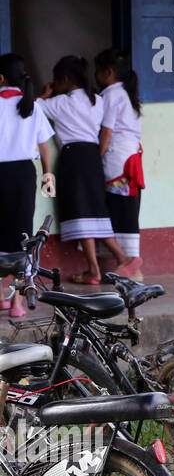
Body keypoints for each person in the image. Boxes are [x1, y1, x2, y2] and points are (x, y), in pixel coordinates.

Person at [39, 56, 137, 284]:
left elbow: (29, 108)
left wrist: (45, 93)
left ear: (63, 79)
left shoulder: (61, 102)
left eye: (56, 80)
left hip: (74, 158)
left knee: (81, 213)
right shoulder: (97, 100)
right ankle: (108, 263)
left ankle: (107, 263)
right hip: (94, 157)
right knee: (94, 212)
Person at [0, 54, 54, 318]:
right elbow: (44, 145)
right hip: (23, 173)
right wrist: (47, 175)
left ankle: (1, 295)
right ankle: (18, 303)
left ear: (0, 78)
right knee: (22, 234)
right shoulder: (32, 105)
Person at [95, 49, 145, 279]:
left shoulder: (110, 95)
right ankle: (131, 264)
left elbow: (106, 132)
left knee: (119, 208)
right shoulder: (128, 94)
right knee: (127, 207)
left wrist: (96, 158)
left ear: (108, 72)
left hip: (117, 161)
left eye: (98, 71)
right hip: (131, 157)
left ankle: (130, 261)